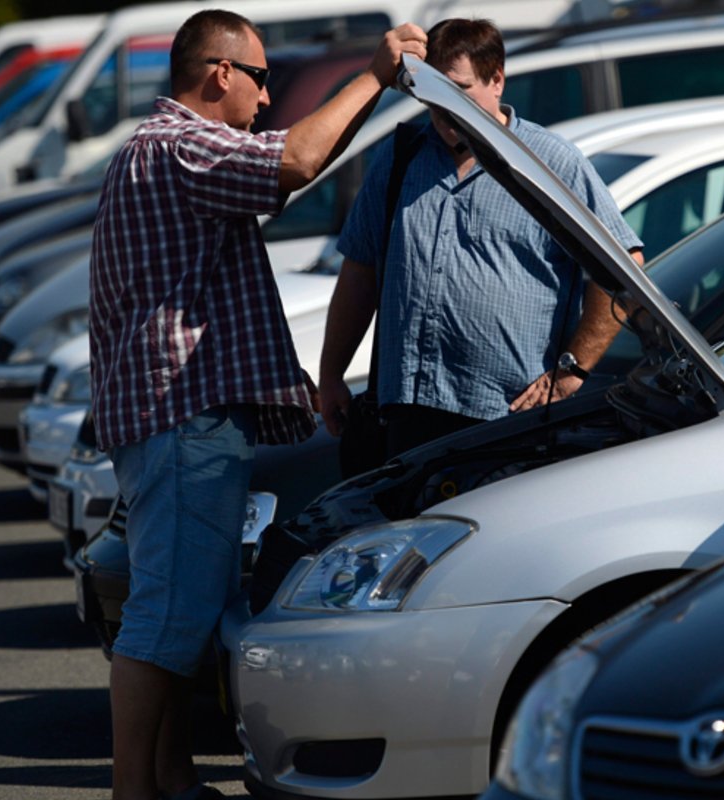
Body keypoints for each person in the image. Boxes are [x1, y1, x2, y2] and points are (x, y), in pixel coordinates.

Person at [87, 11, 425, 800]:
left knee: (183, 615)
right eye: (263, 78)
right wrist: (374, 75)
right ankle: (135, 790)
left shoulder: (156, 150)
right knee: (165, 619)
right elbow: (297, 160)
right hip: (183, 422)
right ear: (219, 74)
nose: (268, 97)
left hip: (179, 420)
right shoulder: (181, 144)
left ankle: (169, 781)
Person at [317, 17, 643, 459]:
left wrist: (570, 371)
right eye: (431, 89)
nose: (443, 106)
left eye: (460, 89)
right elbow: (361, 270)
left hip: (505, 420)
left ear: (497, 82)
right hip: (407, 414)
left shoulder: (550, 165)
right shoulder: (400, 156)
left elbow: (624, 271)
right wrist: (332, 372)